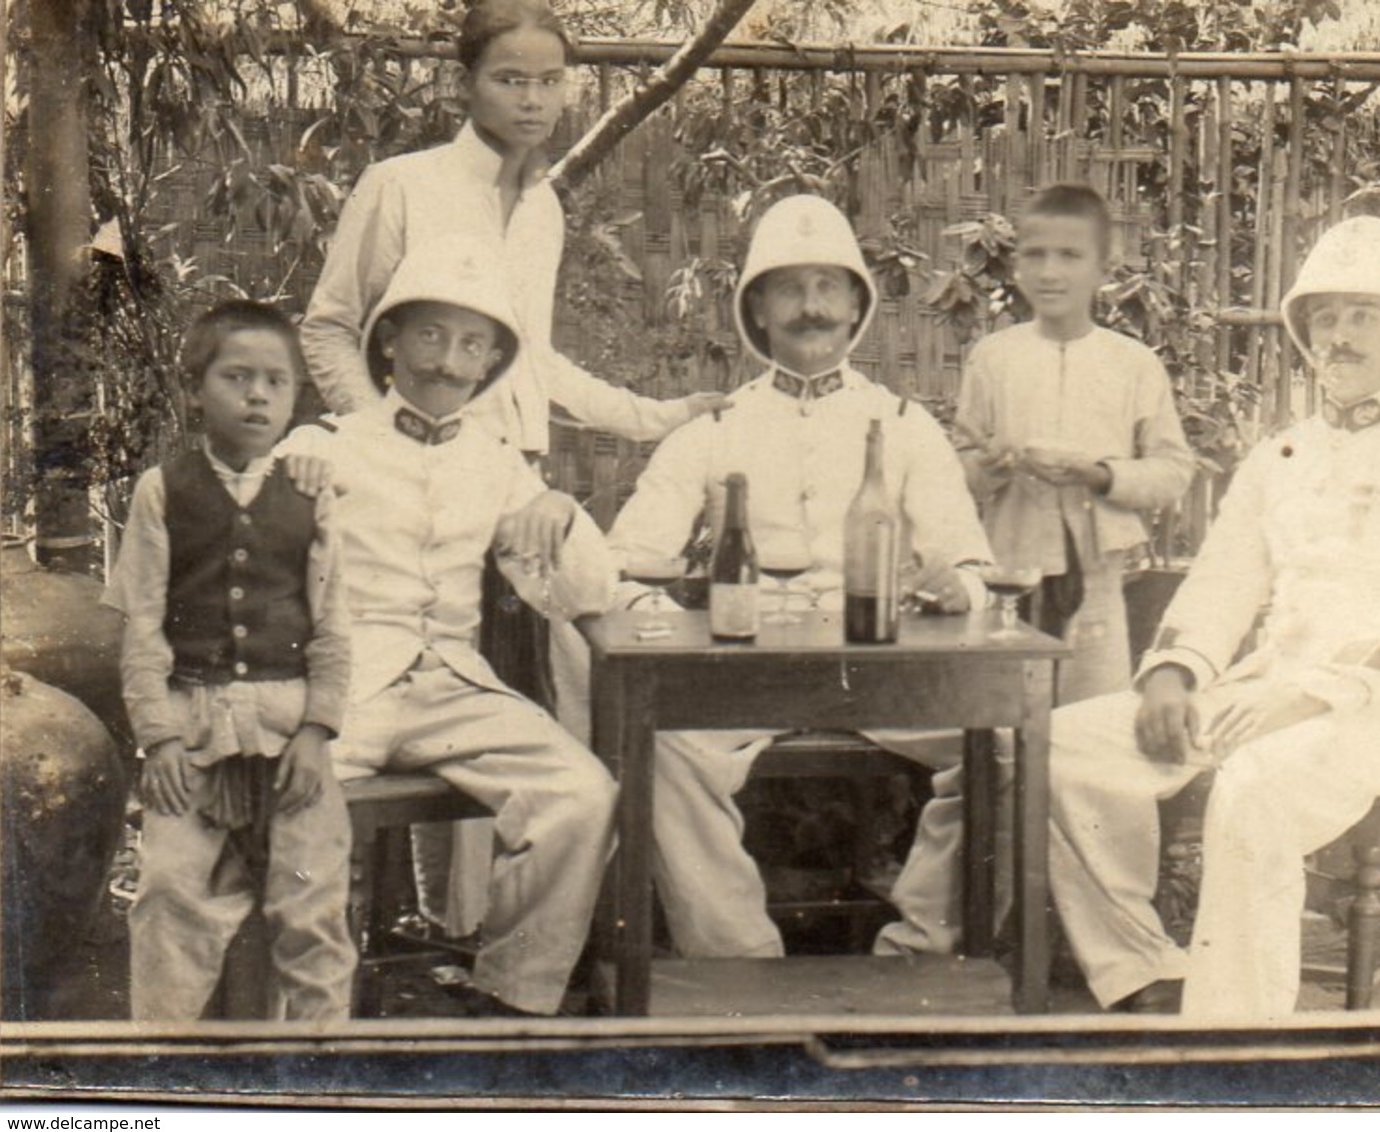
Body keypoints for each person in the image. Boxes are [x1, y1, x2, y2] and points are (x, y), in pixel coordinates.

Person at [1046, 215, 1380, 1021]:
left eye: (1360, 314)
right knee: (1061, 746)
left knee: (1253, 789)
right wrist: (1172, 674)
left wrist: (1299, 699)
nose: (1337, 335)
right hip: (1260, 693)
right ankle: (1142, 968)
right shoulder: (1280, 455)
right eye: (1322, 317)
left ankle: (1234, 1040)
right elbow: (1223, 582)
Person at [607, 193, 1000, 959]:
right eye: (790, 289)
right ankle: (738, 965)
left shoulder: (904, 424)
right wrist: (677, 619)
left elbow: (970, 560)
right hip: (751, 669)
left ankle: (916, 954)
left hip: (884, 663)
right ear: (756, 309)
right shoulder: (715, 425)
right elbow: (626, 562)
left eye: (828, 287)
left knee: (1003, 749)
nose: (811, 309)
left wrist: (960, 585)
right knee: (663, 750)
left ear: (858, 302)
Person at [282, 238, 618, 1016]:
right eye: (429, 335)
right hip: (347, 692)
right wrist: (289, 472)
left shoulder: (499, 461)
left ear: (490, 363)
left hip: (457, 691)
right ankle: (301, 1021)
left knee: (581, 794)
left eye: (471, 344)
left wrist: (559, 512)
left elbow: (584, 592)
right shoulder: (327, 443)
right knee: (286, 800)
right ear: (389, 343)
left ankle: (509, 1003)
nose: (446, 361)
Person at [300, 0, 726, 457]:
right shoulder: (400, 185)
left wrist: (659, 418)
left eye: (550, 81)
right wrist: (383, 441)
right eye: (510, 80)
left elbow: (532, 362)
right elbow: (328, 330)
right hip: (412, 470)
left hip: (513, 472)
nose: (532, 100)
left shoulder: (541, 209)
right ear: (464, 85)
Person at [106, 301, 356, 1021]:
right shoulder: (163, 492)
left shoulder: (311, 493)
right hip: (193, 726)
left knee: (313, 907)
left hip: (289, 728)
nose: (257, 395)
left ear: (295, 398)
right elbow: (144, 629)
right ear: (194, 390)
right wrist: (160, 741)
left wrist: (317, 732)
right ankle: (158, 1068)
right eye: (236, 377)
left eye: (276, 382)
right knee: (170, 895)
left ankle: (319, 1075)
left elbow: (334, 627)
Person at [955, 184, 1194, 704]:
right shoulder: (994, 357)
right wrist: (989, 467)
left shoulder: (1131, 363)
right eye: (1035, 255)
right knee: (1005, 717)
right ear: (1016, 265)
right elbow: (960, 463)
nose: (1050, 272)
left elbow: (1174, 469)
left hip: (1099, 572)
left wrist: (1102, 473)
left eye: (1069, 256)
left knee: (1089, 716)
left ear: (1103, 269)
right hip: (1010, 566)